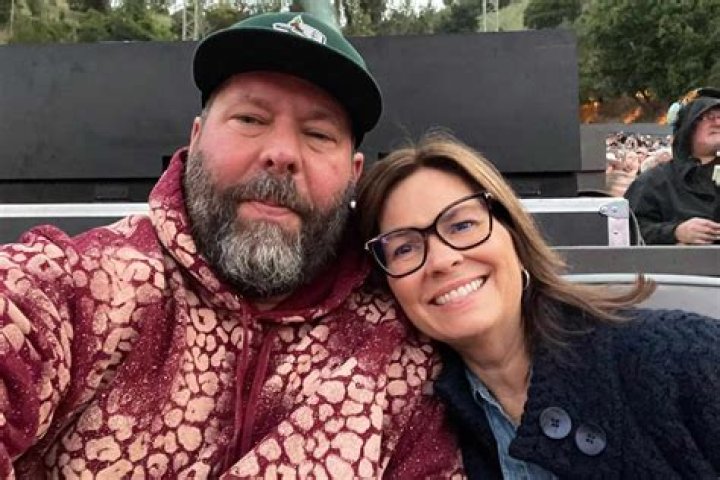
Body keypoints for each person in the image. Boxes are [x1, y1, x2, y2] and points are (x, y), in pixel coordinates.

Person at [0, 13, 463, 478]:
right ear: (196, 137)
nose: (281, 154)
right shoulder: (80, 285)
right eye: (250, 119)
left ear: (354, 173)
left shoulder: (397, 354)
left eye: (318, 134)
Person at [357, 133, 720, 478]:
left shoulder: (689, 358)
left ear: (514, 233)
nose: (442, 260)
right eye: (404, 248)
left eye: (463, 225)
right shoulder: (414, 425)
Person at [625, 87, 720, 244]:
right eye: (709, 117)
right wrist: (675, 232)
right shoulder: (655, 182)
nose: (718, 122)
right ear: (689, 126)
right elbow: (627, 230)